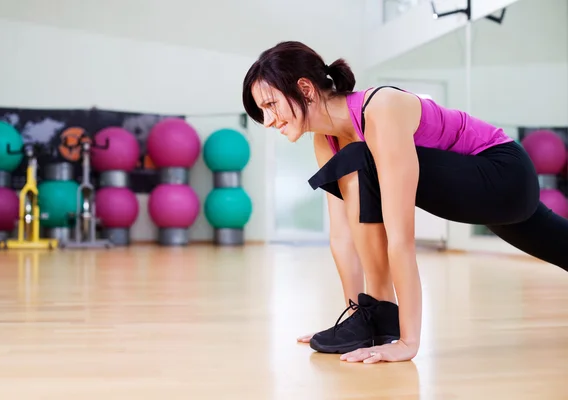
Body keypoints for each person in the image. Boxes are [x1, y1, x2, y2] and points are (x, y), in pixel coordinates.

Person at [241, 41, 568, 364]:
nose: (269, 121)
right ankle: (371, 317)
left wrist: (408, 342)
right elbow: (342, 238)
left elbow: (400, 238)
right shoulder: (325, 141)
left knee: (362, 157)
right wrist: (357, 321)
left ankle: (382, 312)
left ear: (305, 88)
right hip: (482, 195)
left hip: (504, 174)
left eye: (271, 105)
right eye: (262, 112)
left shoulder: (380, 108)